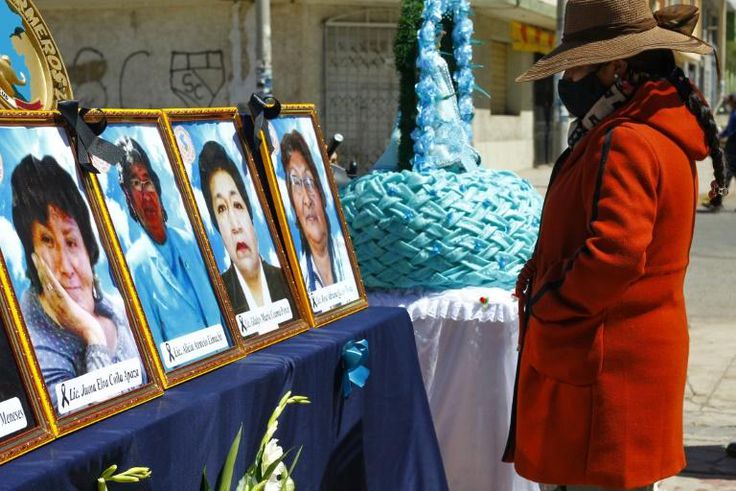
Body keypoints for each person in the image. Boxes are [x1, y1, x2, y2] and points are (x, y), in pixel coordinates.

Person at [503, 1, 725, 490]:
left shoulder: (626, 140)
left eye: (578, 65)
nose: (569, 80)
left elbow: (616, 253)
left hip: (604, 372)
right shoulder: (648, 133)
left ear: (615, 69)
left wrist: (548, 302)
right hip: (624, 363)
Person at [11, 154, 140, 409]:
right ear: (33, 258)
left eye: (71, 242)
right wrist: (91, 333)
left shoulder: (114, 307)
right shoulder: (32, 342)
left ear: (88, 248)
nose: (66, 267)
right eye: (47, 241)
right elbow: (102, 416)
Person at [116, 136, 223, 349]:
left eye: (147, 181)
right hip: (187, 376)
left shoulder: (188, 240)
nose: (146, 194)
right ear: (128, 197)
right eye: (136, 184)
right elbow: (154, 343)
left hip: (223, 357)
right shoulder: (135, 265)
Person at [198, 140, 294, 316]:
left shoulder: (288, 281)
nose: (235, 226)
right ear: (216, 226)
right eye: (221, 209)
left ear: (250, 216)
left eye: (237, 205)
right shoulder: (216, 297)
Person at [280, 130, 347, 292]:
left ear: (321, 193)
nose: (307, 200)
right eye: (296, 183)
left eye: (309, 182)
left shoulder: (347, 260)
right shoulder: (298, 280)